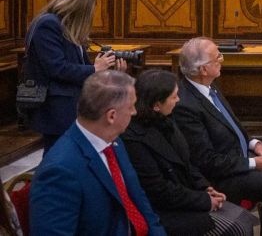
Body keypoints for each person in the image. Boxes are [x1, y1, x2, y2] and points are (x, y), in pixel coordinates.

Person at [173, 37, 262, 236]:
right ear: (203, 69)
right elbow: (206, 161)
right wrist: (251, 163)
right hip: (220, 176)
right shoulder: (185, 105)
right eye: (218, 58)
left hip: (238, 158)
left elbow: (231, 125)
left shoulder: (211, 86)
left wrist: (254, 144)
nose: (222, 60)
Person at [29, 71, 166, 236]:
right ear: (111, 116)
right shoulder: (60, 171)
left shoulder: (114, 142)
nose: (134, 112)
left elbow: (138, 199)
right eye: (131, 106)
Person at [122, 70, 255, 236]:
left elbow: (188, 162)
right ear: (156, 105)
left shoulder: (167, 120)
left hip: (186, 194)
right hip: (164, 209)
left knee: (244, 218)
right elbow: (159, 190)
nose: (178, 100)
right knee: (233, 229)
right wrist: (203, 201)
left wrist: (205, 187)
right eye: (174, 97)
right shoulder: (134, 139)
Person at [22, 0, 125, 152]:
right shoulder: (48, 24)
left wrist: (110, 72)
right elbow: (56, 68)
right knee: (57, 157)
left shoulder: (67, 28)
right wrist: (94, 69)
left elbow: (79, 66)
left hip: (72, 105)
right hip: (57, 109)